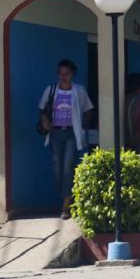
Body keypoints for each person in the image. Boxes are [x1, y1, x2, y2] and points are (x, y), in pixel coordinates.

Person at [38, 59, 94, 219]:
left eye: (67, 73)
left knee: (68, 167)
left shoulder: (79, 91)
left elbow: (89, 109)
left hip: (71, 133)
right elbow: (41, 108)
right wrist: (44, 119)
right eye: (61, 73)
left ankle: (66, 205)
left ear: (72, 74)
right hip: (55, 133)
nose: (63, 76)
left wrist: (83, 126)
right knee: (57, 169)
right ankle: (68, 195)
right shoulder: (51, 90)